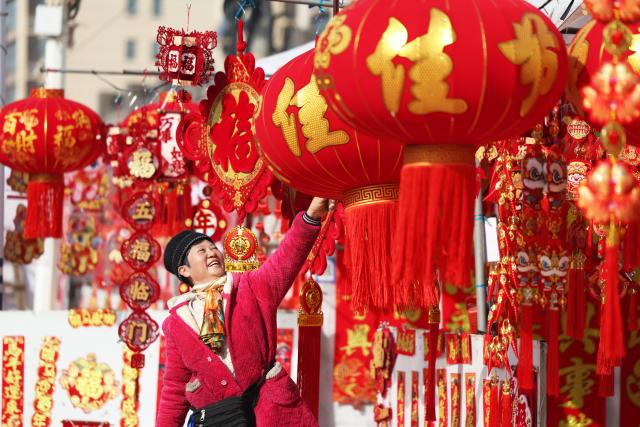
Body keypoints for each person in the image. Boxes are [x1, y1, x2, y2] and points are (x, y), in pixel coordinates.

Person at [156, 198, 330, 427]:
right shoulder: (176, 323)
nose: (212, 253)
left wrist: (310, 217)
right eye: (201, 250)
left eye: (212, 247)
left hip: (268, 410)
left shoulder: (250, 287)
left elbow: (286, 258)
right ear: (184, 270)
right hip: (220, 418)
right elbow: (175, 387)